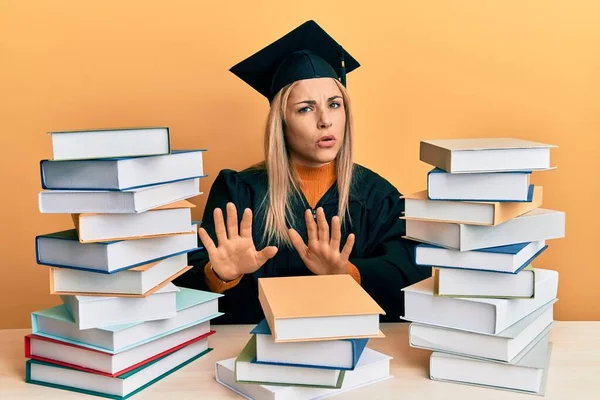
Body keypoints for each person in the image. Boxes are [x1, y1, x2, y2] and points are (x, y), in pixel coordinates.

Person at [174, 20, 431, 324]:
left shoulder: (376, 196)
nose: (325, 120)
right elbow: (188, 281)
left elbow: (411, 273)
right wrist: (220, 275)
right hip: (254, 349)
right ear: (280, 122)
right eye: (305, 108)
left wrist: (347, 273)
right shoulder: (240, 191)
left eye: (334, 104)